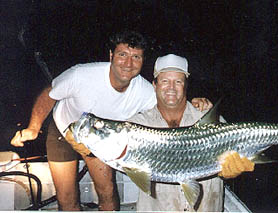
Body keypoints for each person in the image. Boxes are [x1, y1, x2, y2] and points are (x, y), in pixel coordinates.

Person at [10, 31, 213, 211]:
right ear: (111, 56)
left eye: (136, 57)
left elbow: (170, 102)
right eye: (122, 55)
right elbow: (49, 94)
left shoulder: (144, 92)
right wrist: (33, 128)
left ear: (143, 62)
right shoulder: (81, 74)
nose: (128, 63)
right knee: (66, 198)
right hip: (64, 130)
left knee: (107, 192)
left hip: (102, 139)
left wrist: (195, 102)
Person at [127, 54, 255, 211]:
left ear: (186, 85)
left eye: (178, 81)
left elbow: (236, 157)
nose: (171, 88)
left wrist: (232, 171)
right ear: (155, 84)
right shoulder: (137, 125)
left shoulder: (208, 118)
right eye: (165, 81)